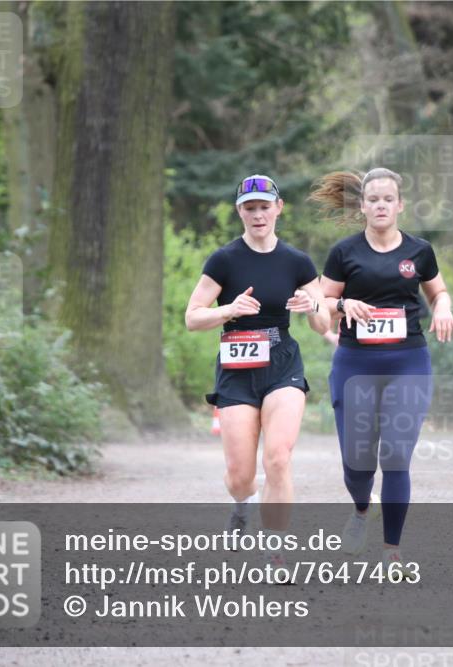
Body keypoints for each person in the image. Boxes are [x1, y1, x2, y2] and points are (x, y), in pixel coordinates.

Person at [310, 167, 453, 575]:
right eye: (372, 199)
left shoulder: (419, 251)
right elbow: (321, 304)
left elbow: (437, 290)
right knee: (357, 463)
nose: (380, 205)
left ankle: (391, 550)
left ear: (399, 205)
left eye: (387, 199)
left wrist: (442, 307)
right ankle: (361, 510)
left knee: (395, 455)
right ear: (362, 206)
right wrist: (343, 306)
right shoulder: (344, 252)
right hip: (355, 363)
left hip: (407, 362)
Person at [185, 174, 330, 570]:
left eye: (265, 206)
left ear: (278, 209)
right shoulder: (224, 260)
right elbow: (192, 318)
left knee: (278, 458)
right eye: (250, 208)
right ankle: (242, 503)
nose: (258, 214)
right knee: (240, 474)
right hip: (237, 369)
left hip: (282, 363)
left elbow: (323, 324)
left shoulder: (297, 262)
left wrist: (312, 305)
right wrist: (228, 310)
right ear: (240, 212)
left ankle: (277, 551)